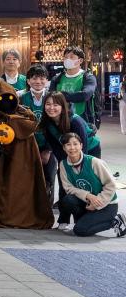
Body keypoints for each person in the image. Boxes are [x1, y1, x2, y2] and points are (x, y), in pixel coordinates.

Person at [0, 82, 54, 229]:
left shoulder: (24, 115)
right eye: (1, 99)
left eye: (10, 98)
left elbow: (31, 125)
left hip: (25, 162)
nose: (5, 102)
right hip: (3, 163)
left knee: (23, 189)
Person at [39, 92, 99, 231]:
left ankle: (90, 218)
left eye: (55, 104)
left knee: (86, 184)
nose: (51, 108)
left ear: (63, 106)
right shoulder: (47, 123)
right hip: (66, 153)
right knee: (63, 183)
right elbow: (56, 148)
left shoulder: (75, 121)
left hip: (89, 151)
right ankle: (63, 220)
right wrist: (64, 166)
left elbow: (82, 148)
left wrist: (78, 168)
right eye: (48, 104)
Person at [58, 133, 126, 237]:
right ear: (63, 148)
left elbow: (111, 185)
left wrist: (97, 202)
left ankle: (115, 221)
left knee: (80, 231)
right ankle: (84, 222)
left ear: (81, 146)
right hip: (87, 202)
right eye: (68, 144)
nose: (72, 148)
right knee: (68, 200)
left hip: (107, 204)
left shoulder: (94, 162)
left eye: (75, 144)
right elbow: (68, 188)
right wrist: (87, 196)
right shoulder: (63, 165)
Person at [49, 46, 100, 130]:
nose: (68, 59)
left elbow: (85, 95)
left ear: (80, 60)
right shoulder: (57, 78)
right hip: (60, 121)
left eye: (72, 57)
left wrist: (61, 96)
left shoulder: (88, 77)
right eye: (65, 57)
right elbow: (51, 97)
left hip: (83, 120)